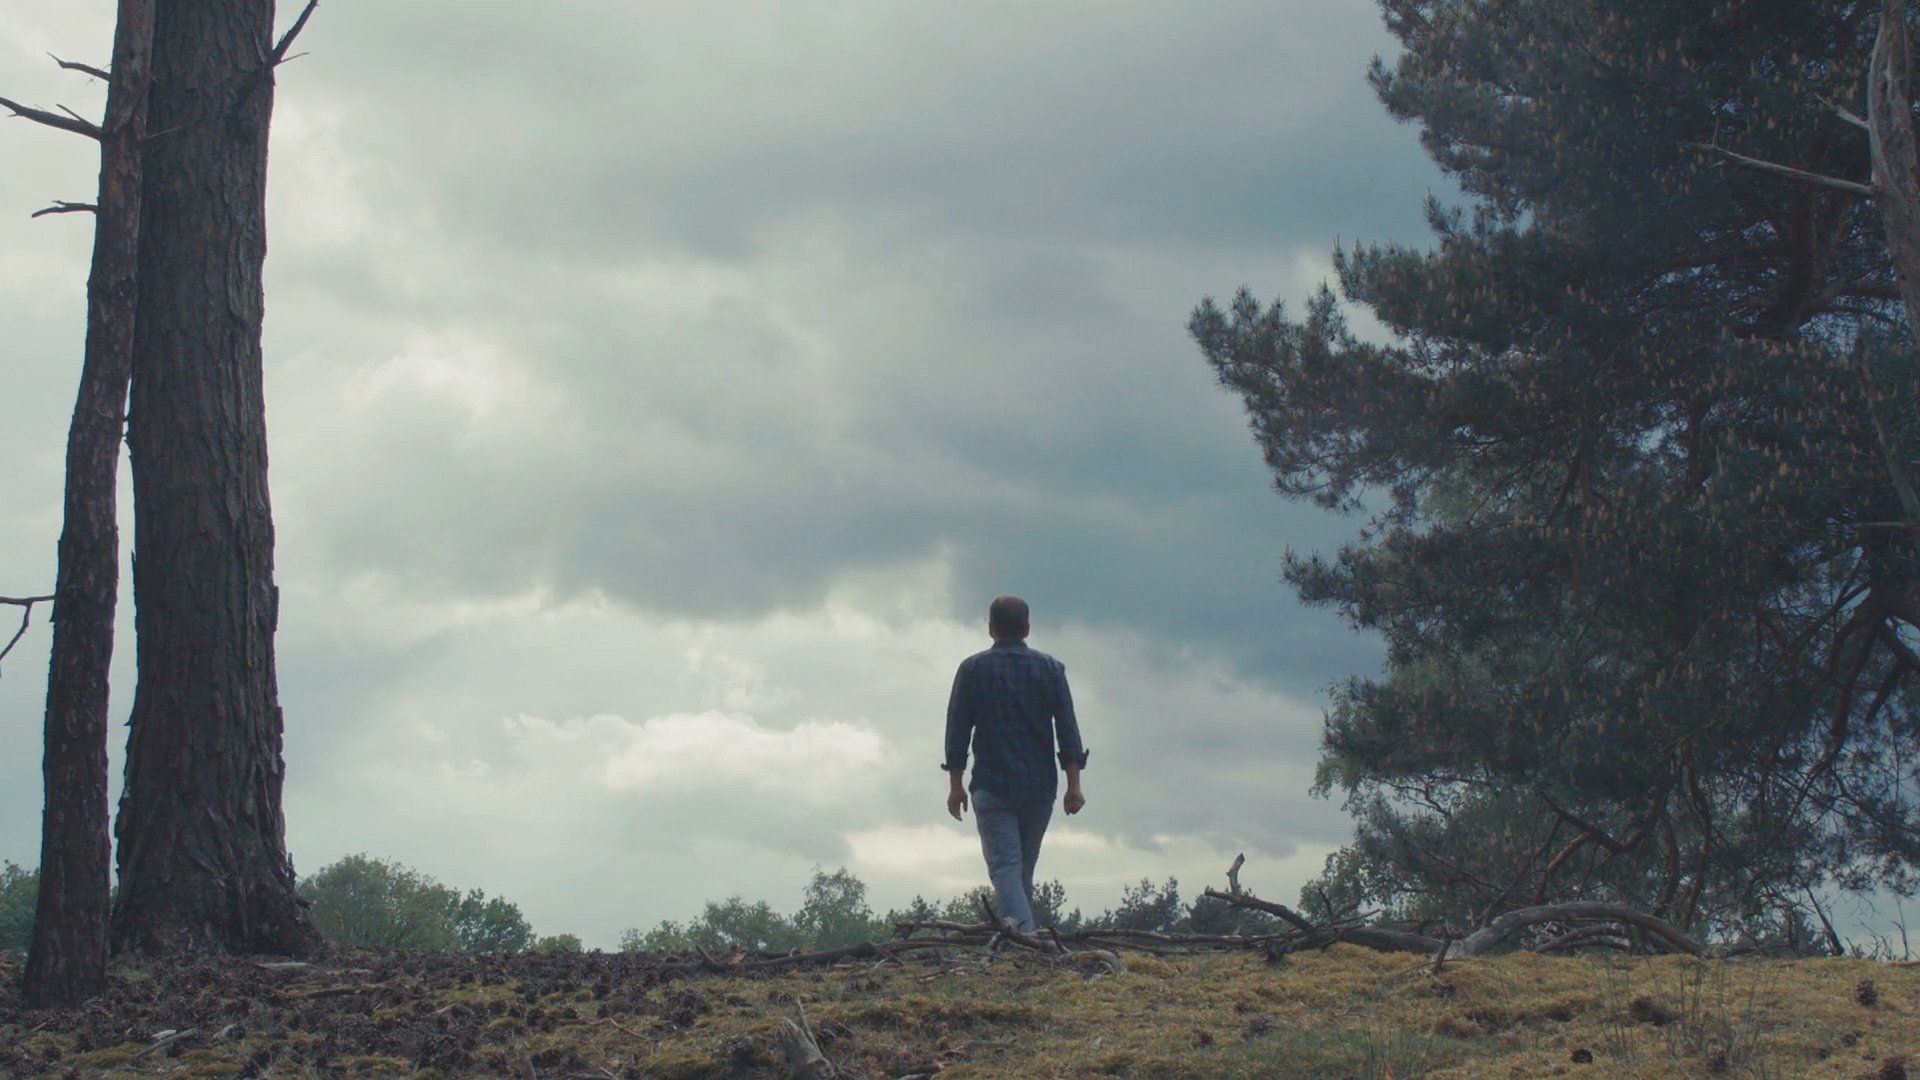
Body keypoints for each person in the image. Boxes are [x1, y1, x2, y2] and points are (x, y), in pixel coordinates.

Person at [942, 595, 1088, 933]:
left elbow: (957, 730)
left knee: (1005, 867)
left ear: (991, 628)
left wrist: (955, 786)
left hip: (992, 785)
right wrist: (1074, 786)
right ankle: (1024, 941)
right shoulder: (1051, 670)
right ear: (1027, 628)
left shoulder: (973, 669)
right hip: (1039, 786)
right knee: (1022, 868)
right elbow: (1068, 730)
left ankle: (1026, 942)